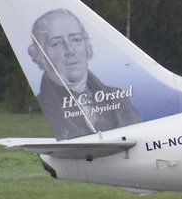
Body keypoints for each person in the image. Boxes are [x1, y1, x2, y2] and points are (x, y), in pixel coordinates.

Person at [28, 9, 142, 139]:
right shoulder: (44, 107)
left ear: (87, 46)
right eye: (56, 43)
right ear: (41, 55)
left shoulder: (119, 97)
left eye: (76, 40)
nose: (70, 50)